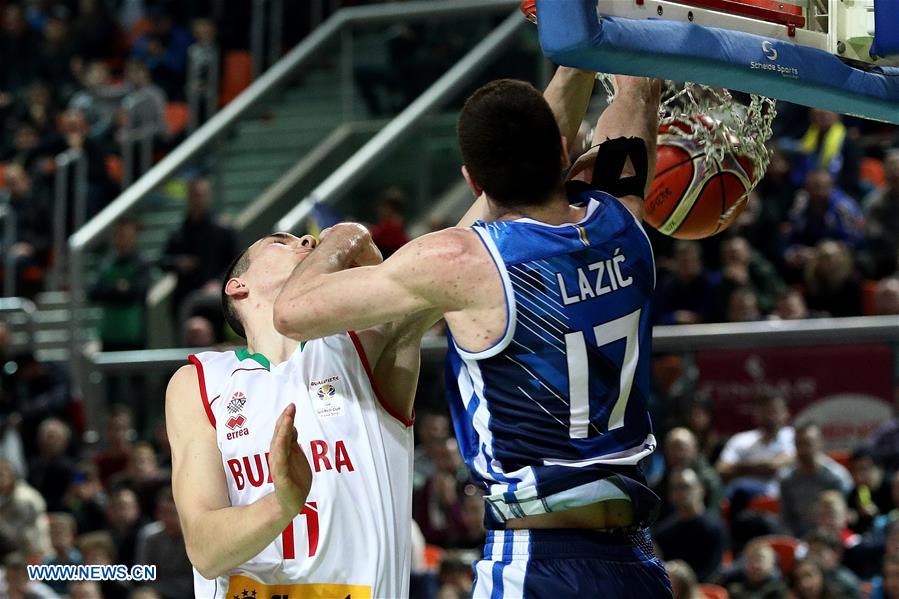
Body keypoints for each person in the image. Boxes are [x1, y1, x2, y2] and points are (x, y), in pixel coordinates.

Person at [169, 65, 611, 598]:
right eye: (285, 241)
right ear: (236, 287)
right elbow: (204, 548)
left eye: (309, 239)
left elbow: (505, 187)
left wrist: (577, 60)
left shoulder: (364, 343)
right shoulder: (200, 383)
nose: (307, 244)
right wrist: (282, 502)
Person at [271, 67, 671, 594]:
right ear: (561, 153)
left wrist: (343, 236)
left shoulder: (461, 259)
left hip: (538, 560)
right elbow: (635, 97)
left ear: (471, 182)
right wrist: (588, 54)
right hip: (636, 561)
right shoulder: (622, 216)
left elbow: (292, 311)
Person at [654, 468, 728, 581]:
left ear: (701, 489)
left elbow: (712, 572)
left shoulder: (714, 527)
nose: (680, 493)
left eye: (685, 486)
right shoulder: (663, 531)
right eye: (675, 488)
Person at [779, 423, 852, 538]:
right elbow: (787, 519)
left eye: (807, 443)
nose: (803, 450)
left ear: (819, 443)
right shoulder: (787, 480)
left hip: (832, 536)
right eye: (799, 444)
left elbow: (844, 516)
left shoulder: (836, 477)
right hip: (800, 536)